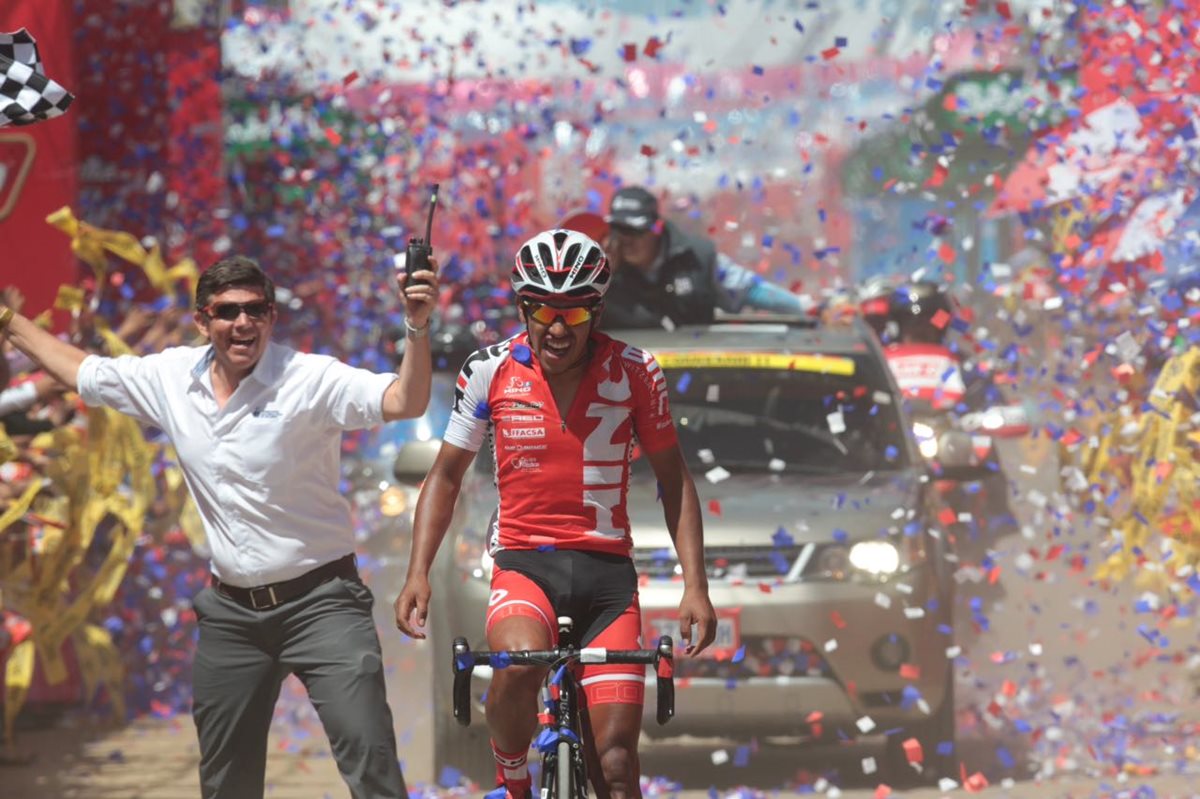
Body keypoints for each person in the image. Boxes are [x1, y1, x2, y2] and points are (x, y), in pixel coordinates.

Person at [0, 254, 441, 799]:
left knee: (370, 759)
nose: (243, 323)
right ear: (201, 322)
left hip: (322, 602)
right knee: (225, 784)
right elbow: (81, 371)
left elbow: (405, 400)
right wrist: (8, 321)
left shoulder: (309, 378)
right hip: (232, 617)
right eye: (227, 311)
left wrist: (417, 326)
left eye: (256, 310)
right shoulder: (169, 378)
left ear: (272, 318)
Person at [392, 229, 717, 799]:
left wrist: (697, 586)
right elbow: (445, 475)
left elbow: (675, 482)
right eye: (543, 309)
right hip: (525, 565)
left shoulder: (637, 372)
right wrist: (417, 572)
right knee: (517, 665)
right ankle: (514, 781)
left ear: (597, 310)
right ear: (524, 308)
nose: (558, 327)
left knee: (615, 765)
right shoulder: (489, 370)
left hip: (607, 579)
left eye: (573, 312)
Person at [600, 185, 811, 329]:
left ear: (656, 228)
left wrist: (808, 308)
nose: (626, 240)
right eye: (618, 229)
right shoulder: (600, 271)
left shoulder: (699, 258)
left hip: (692, 376)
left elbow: (751, 289)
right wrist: (602, 280)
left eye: (635, 230)